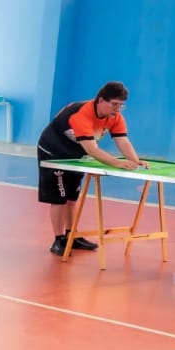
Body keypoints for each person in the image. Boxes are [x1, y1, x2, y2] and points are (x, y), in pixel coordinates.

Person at [36, 81, 144, 256]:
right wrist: (118, 163)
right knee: (59, 198)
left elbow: (122, 140)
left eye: (121, 105)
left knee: (72, 197)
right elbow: (92, 150)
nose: (117, 109)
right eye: (114, 104)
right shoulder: (82, 114)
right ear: (101, 100)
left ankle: (73, 236)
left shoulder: (114, 117)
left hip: (75, 154)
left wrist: (135, 160)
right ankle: (59, 240)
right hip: (53, 152)